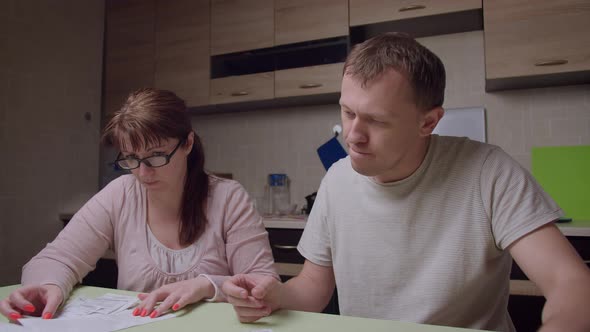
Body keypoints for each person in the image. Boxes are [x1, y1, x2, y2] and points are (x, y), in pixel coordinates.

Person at [222, 33, 590, 331]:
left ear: (428, 122)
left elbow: (572, 284)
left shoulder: (488, 172)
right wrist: (275, 296)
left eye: (376, 121)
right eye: (347, 112)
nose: (353, 136)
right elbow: (313, 288)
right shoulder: (337, 180)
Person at [0, 88, 278, 321]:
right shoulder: (121, 193)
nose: (143, 173)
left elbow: (265, 284)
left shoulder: (229, 198)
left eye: (156, 156)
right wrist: (48, 285)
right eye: (131, 158)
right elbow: (56, 259)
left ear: (188, 143)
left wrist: (208, 285)